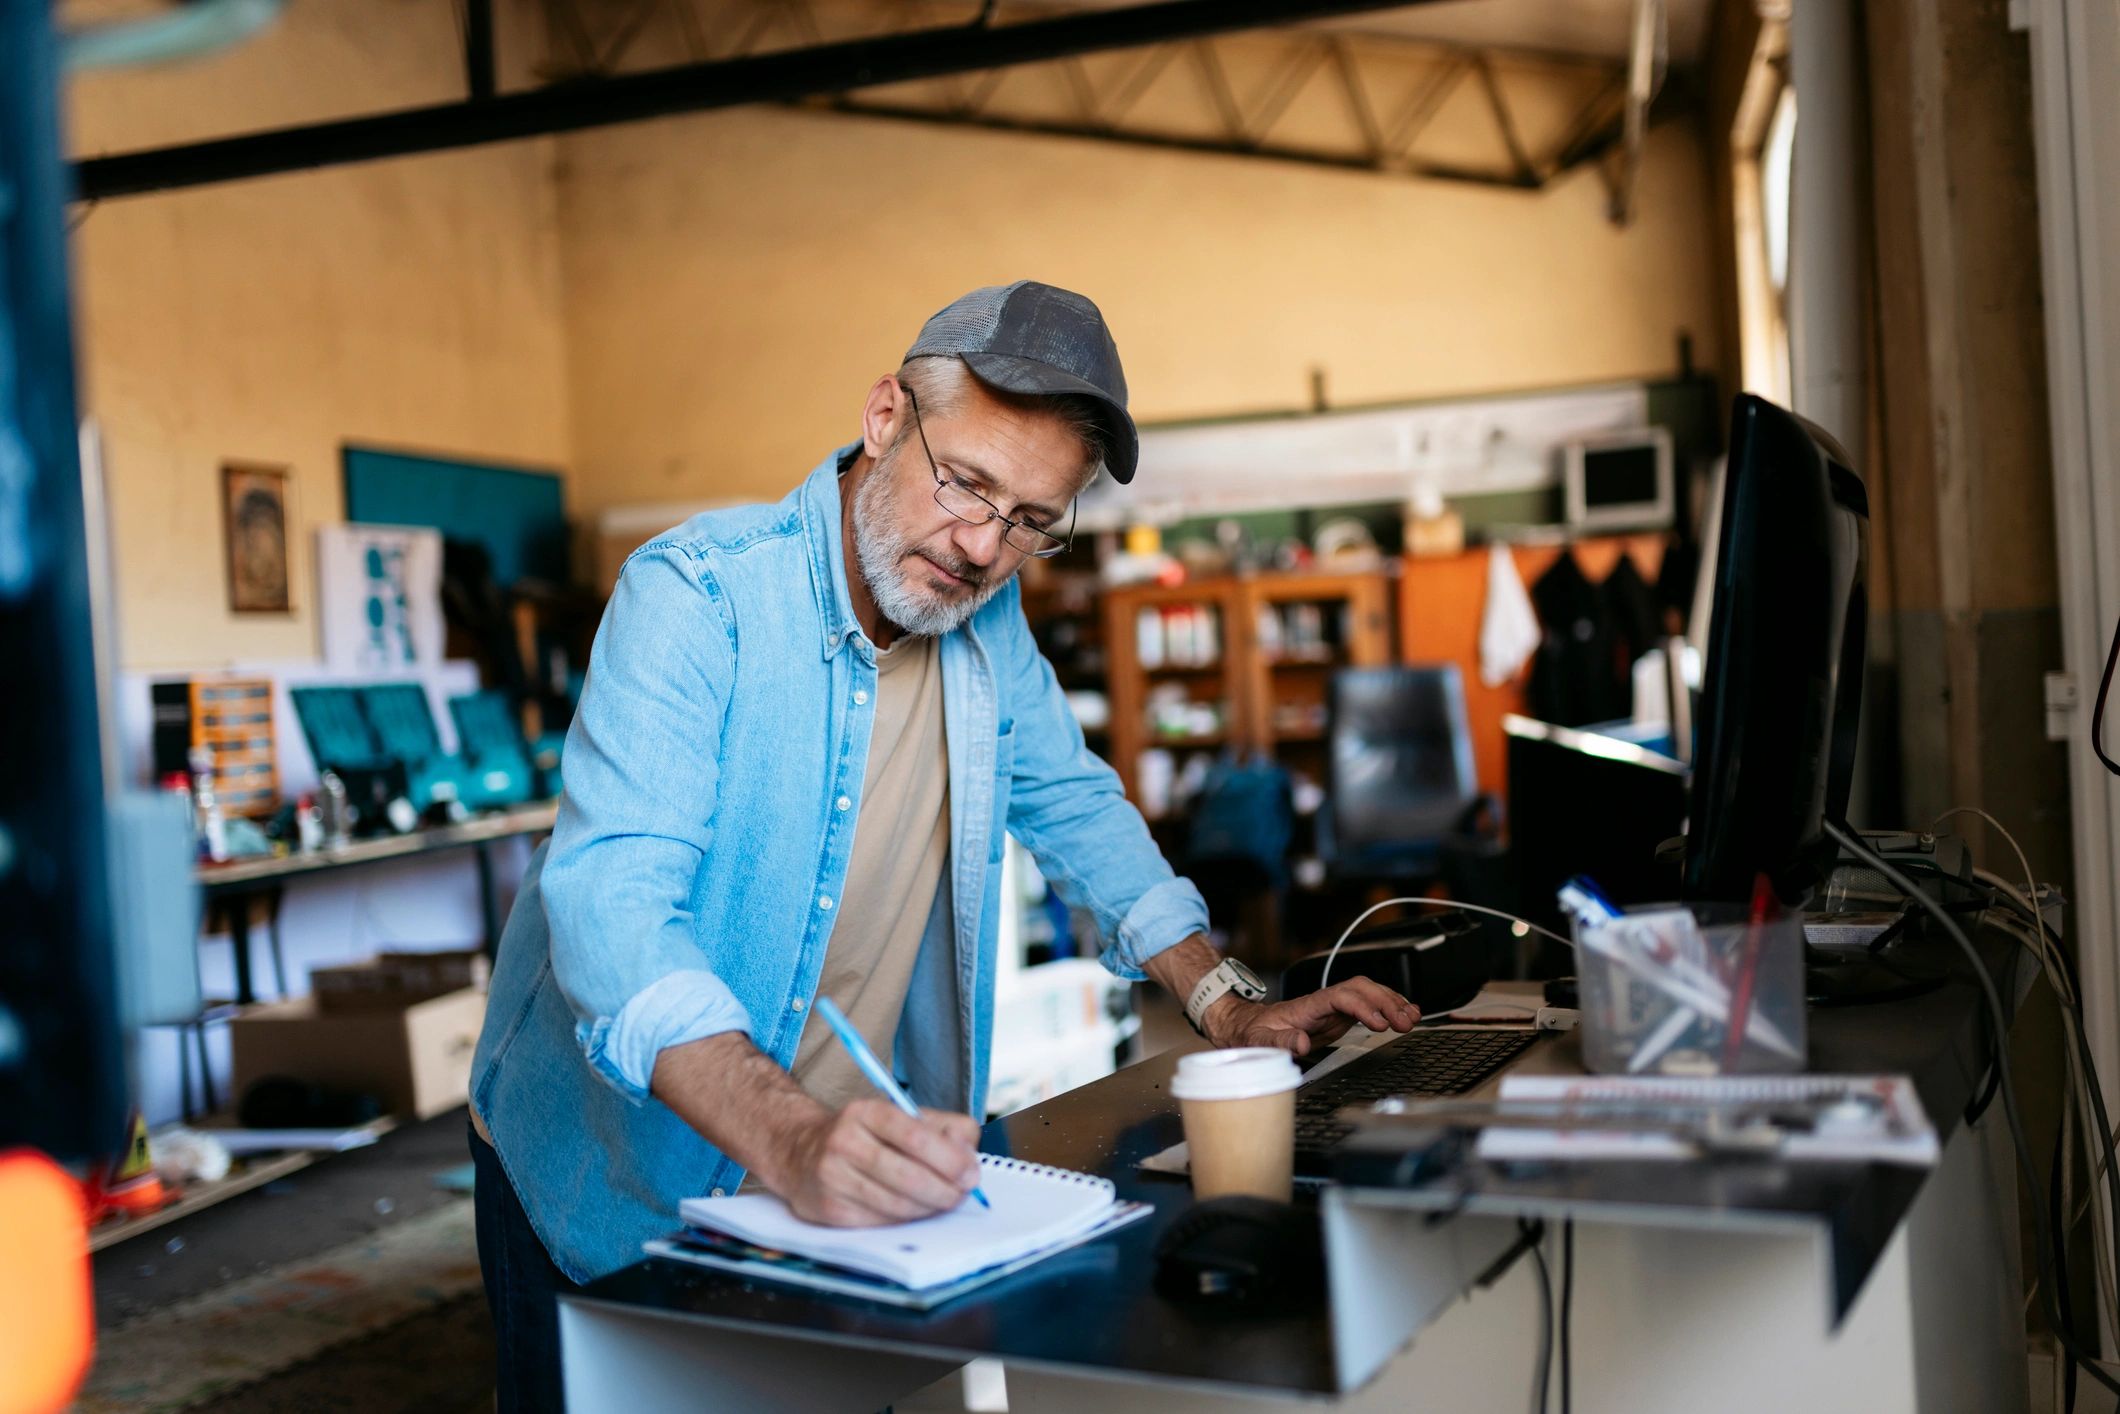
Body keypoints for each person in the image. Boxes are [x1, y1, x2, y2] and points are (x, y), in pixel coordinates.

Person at [466, 281, 1419, 1409]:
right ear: (883, 417)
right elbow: (611, 912)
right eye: (964, 483)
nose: (980, 547)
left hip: (831, 1178)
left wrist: (1222, 1000)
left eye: (1030, 522)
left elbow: (1073, 803)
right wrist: (792, 1137)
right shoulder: (697, 598)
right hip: (609, 1173)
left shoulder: (982, 621)